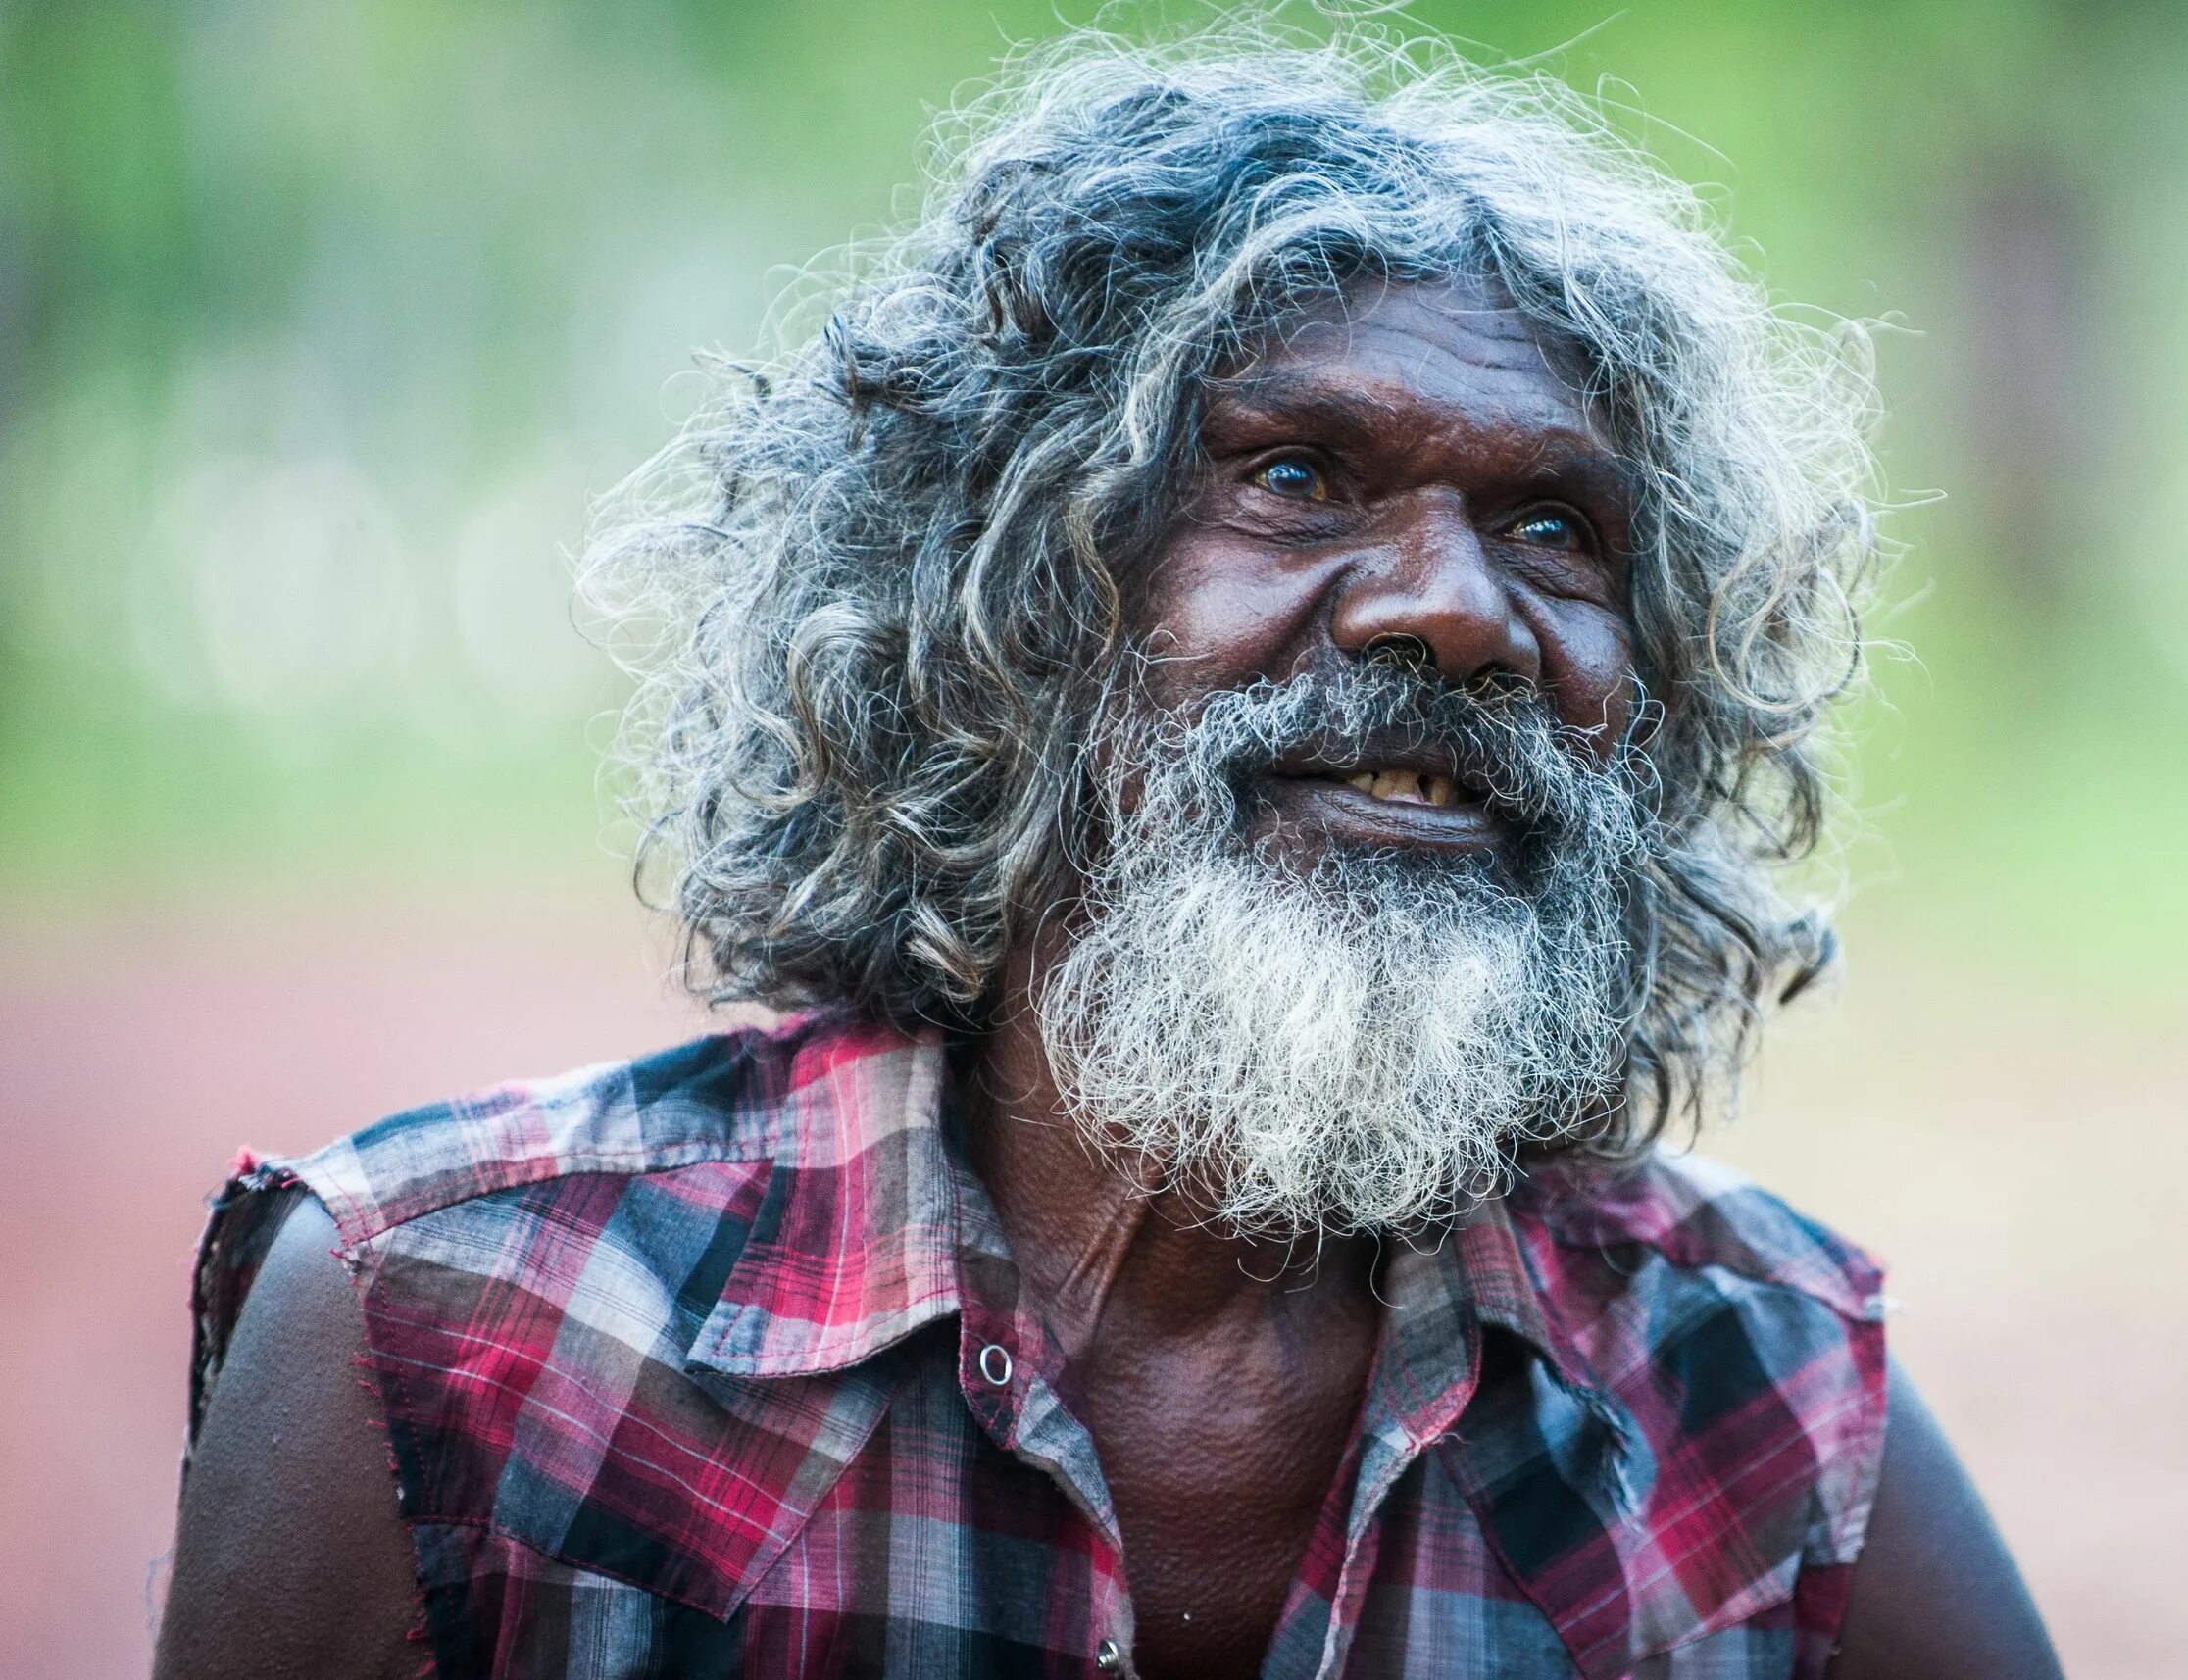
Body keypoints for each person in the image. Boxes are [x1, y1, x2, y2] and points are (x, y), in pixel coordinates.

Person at [155, 27, 2062, 1680]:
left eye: (1557, 525)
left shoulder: (1763, 1400)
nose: (1455, 609)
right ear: (1004, 598)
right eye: (1298, 477)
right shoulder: (454, 1326)